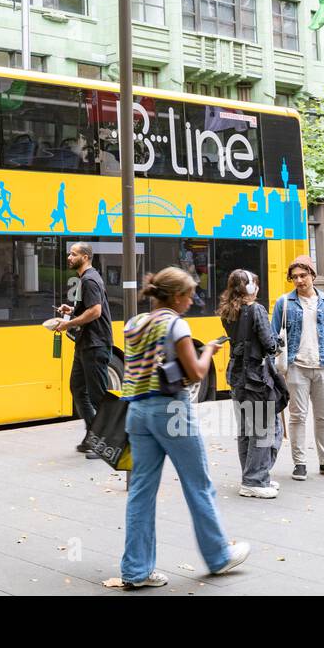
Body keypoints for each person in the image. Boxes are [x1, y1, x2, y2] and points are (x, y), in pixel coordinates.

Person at [117, 267, 249, 589]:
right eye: (189, 294)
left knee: (141, 492)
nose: (192, 300)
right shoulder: (176, 324)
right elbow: (197, 374)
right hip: (172, 412)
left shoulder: (134, 323)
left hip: (137, 412)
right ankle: (218, 555)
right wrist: (207, 352)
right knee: (198, 484)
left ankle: (136, 571)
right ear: (176, 296)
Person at [271, 255, 324, 481]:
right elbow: (272, 336)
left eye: (303, 275)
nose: (299, 280)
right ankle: (300, 463)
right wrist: (277, 367)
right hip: (296, 367)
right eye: (294, 277)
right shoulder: (284, 303)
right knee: (297, 417)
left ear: (312, 276)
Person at [218, 269, 284, 499]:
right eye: (254, 283)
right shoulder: (256, 309)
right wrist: (279, 341)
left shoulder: (227, 311)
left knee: (246, 430)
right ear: (249, 287)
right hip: (256, 378)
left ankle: (254, 476)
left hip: (236, 377)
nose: (257, 288)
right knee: (266, 430)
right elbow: (270, 345)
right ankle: (254, 479)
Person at [52, 242, 113, 454]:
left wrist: (67, 323)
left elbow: (95, 311)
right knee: (77, 389)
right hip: (86, 344)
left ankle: (106, 442)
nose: (69, 257)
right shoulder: (86, 279)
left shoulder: (89, 279)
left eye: (73, 254)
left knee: (98, 395)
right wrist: (72, 309)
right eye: (69, 253)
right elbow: (89, 307)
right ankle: (93, 435)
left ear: (85, 257)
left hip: (95, 344)